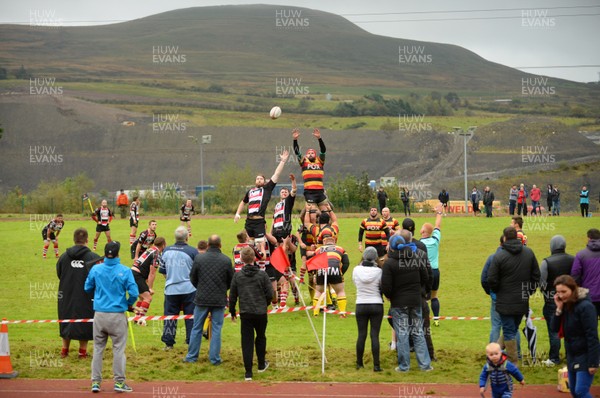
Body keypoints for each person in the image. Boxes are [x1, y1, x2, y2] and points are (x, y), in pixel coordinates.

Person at [84, 241, 138, 393]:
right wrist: (128, 304)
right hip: (117, 316)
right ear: (118, 254)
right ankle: (119, 383)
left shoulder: (96, 268)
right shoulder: (125, 271)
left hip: (100, 315)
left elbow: (87, 287)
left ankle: (95, 382)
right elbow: (134, 293)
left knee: (97, 348)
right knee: (118, 350)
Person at [487, 226, 540, 366]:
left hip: (504, 301)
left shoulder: (499, 256)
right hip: (522, 300)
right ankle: (494, 355)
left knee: (509, 332)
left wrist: (498, 291)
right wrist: (529, 292)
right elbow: (536, 276)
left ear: (504, 238)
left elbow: (491, 279)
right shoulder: (529, 253)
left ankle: (512, 363)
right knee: (511, 329)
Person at [382, 230, 432, 372]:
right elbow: (425, 277)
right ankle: (425, 365)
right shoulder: (415, 257)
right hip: (415, 301)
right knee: (418, 332)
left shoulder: (389, 263)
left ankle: (404, 366)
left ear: (391, 247)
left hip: (398, 303)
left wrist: (391, 296)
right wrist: (419, 290)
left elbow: (386, 286)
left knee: (402, 333)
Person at [184, 235, 233, 365]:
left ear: (207, 245)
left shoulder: (199, 259)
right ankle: (214, 358)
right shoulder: (226, 260)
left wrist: (200, 288)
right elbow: (231, 281)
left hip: (201, 298)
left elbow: (192, 277)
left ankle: (191, 357)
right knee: (216, 329)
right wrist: (223, 289)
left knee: (197, 328)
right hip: (219, 299)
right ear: (220, 245)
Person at [229, 246, 274, 381]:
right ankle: (260, 364)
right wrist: (264, 304)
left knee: (247, 341)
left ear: (241, 259)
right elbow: (270, 293)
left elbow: (232, 296)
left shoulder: (238, 276)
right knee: (261, 337)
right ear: (254, 258)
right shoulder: (262, 274)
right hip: (260, 312)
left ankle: (248, 372)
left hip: (246, 312)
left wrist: (232, 311)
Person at [551, 275, 599, 398]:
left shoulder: (586, 307)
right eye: (558, 292)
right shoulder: (566, 305)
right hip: (572, 354)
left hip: (585, 355)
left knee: (581, 391)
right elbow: (554, 329)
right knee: (573, 391)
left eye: (564, 291)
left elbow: (592, 335)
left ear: (573, 289)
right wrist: (559, 308)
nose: (561, 295)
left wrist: (593, 362)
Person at [56, 227, 101, 359]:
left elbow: (59, 273)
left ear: (74, 239)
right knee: (85, 320)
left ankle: (65, 350)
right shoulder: (93, 258)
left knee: (66, 318)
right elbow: (99, 277)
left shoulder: (63, 257)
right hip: (86, 296)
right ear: (87, 240)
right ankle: (82, 351)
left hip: (66, 294)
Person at [235, 150, 289, 255]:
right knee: (250, 244)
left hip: (259, 221)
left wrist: (282, 161)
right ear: (255, 181)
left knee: (260, 245)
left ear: (264, 182)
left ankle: (262, 262)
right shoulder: (250, 191)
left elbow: (276, 174)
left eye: (261, 179)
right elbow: (243, 202)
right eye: (257, 179)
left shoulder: (267, 189)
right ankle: (251, 263)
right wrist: (237, 214)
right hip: (249, 222)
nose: (259, 180)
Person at [159, 226, 198, 350]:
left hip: (171, 289)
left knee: (170, 316)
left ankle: (168, 343)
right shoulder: (193, 252)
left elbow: (163, 271)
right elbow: (196, 272)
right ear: (187, 237)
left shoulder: (166, 251)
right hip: (189, 289)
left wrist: (171, 278)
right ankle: (190, 342)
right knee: (190, 316)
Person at [539, 235, 574, 366]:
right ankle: (570, 357)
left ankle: (554, 358)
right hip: (570, 300)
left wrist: (547, 295)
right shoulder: (573, 259)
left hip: (551, 300)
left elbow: (541, 283)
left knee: (553, 330)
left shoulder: (546, 262)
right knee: (570, 329)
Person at [353, 247, 383, 372]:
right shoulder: (379, 271)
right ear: (375, 257)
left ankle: (359, 363)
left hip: (361, 303)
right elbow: (382, 286)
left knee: (361, 334)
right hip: (376, 303)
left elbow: (355, 283)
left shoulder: (356, 270)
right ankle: (376, 365)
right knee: (374, 335)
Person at [292, 128, 330, 213]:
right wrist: (295, 140)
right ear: (306, 155)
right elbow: (297, 152)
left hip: (320, 191)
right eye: (308, 153)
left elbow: (323, 150)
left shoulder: (320, 161)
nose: (310, 154)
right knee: (312, 214)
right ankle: (308, 224)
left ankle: (327, 226)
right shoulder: (303, 161)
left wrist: (319, 138)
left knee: (326, 213)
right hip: (309, 191)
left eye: (312, 153)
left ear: (315, 155)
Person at [312, 235, 350, 317]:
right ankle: (342, 314)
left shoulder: (318, 250)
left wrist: (315, 275)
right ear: (334, 243)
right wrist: (341, 273)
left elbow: (313, 263)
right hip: (335, 269)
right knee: (340, 291)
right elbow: (346, 263)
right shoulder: (341, 249)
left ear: (324, 242)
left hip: (321, 270)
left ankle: (316, 313)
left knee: (318, 291)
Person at [131, 237, 166, 325]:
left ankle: (136, 318)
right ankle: (141, 320)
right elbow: (152, 273)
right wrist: (150, 288)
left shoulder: (151, 249)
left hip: (133, 273)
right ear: (164, 245)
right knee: (148, 298)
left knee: (142, 297)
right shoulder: (157, 254)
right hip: (137, 275)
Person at [420, 203, 443, 326]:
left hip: (424, 272)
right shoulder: (435, 240)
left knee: (423, 296)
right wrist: (439, 212)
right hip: (435, 271)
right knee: (434, 295)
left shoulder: (419, 243)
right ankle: (436, 319)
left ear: (423, 231)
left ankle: (424, 319)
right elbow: (438, 225)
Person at [571, 228, 600, 315]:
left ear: (588, 238)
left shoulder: (581, 255)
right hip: (589, 294)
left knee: (590, 325)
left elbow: (575, 275)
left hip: (589, 295)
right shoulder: (581, 254)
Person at [271, 174, 297, 242]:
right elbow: (273, 220)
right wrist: (271, 232)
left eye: (286, 192)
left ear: (288, 194)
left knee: (284, 248)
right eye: (282, 192)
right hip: (275, 230)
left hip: (284, 229)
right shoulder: (277, 205)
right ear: (280, 194)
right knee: (276, 249)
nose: (284, 193)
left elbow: (294, 190)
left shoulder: (288, 201)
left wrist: (293, 181)